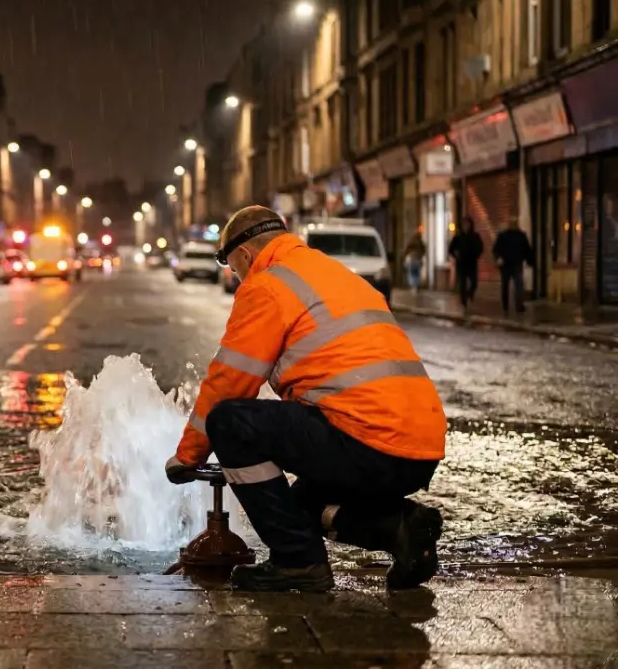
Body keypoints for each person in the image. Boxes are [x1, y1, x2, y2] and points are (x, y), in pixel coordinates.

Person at [166, 206, 446, 592]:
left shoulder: (268, 284)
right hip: (417, 450)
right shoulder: (336, 275)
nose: (238, 276)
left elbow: (230, 381)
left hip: (368, 443)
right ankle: (402, 529)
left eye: (234, 267)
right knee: (294, 509)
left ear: (245, 256)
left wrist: (188, 456)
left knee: (230, 422)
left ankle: (298, 563)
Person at [492, 219, 533, 315]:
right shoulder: (515, 235)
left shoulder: (509, 235)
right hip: (510, 264)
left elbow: (526, 249)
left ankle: (513, 305)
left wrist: (528, 260)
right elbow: (527, 249)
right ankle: (512, 305)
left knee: (513, 285)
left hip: (512, 264)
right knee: (512, 285)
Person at [447, 217, 483, 309]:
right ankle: (463, 302)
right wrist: (456, 256)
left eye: (467, 224)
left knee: (474, 282)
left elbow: (480, 247)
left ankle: (469, 293)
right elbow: (451, 249)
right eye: (464, 224)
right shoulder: (458, 237)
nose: (466, 226)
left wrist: (476, 255)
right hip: (461, 263)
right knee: (462, 283)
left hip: (472, 263)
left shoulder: (475, 236)